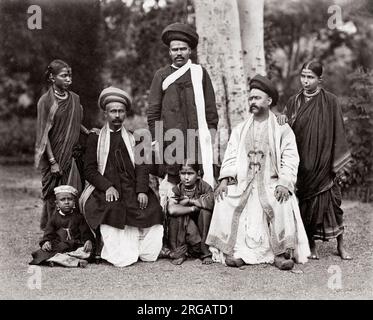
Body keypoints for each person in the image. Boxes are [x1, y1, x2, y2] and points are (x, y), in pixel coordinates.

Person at [206, 74, 310, 270]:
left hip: (271, 184)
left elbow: (290, 157)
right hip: (245, 184)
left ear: (269, 101)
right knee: (224, 198)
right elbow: (230, 155)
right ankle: (238, 253)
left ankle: (279, 255)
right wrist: (225, 180)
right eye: (251, 98)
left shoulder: (282, 128)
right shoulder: (240, 129)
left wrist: (284, 183)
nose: (252, 102)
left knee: (282, 201)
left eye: (257, 98)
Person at [79, 87, 164, 267]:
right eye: (113, 111)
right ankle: (113, 248)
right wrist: (107, 186)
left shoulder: (135, 138)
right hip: (107, 189)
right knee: (113, 210)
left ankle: (143, 249)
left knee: (152, 208)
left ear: (126, 113)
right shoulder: (95, 138)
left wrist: (141, 190)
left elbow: (142, 167)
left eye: (121, 111)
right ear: (105, 113)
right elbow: (90, 170)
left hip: (132, 187)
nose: (117, 115)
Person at [280, 61, 353, 260]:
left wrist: (336, 161)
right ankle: (311, 245)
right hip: (303, 162)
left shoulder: (331, 101)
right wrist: (282, 120)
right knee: (307, 206)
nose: (305, 81)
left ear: (320, 79)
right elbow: (286, 127)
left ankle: (341, 245)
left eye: (310, 77)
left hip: (325, 162)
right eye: (303, 76)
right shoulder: (293, 102)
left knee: (334, 205)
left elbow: (338, 130)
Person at [147, 22, 219, 208]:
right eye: (175, 49)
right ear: (169, 52)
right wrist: (155, 141)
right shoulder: (161, 76)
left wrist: (210, 135)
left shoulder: (199, 73)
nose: (179, 53)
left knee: (198, 182)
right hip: (171, 140)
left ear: (190, 51)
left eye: (183, 49)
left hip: (197, 140)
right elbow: (153, 111)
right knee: (172, 185)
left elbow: (210, 107)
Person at [35, 59, 95, 230]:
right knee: (53, 193)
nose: (69, 79)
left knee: (71, 191)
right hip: (53, 155)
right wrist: (53, 162)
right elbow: (43, 134)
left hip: (70, 154)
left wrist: (88, 132)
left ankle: (70, 230)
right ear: (52, 78)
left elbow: (75, 123)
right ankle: (51, 231)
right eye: (64, 76)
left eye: (70, 75)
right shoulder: (45, 102)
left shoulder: (75, 99)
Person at [29, 185, 93, 268]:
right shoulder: (54, 218)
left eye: (70, 199)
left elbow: (86, 233)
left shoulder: (79, 217)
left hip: (75, 246)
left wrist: (88, 241)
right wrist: (46, 242)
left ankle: (58, 260)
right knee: (41, 253)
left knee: (87, 252)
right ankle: (75, 262)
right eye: (63, 199)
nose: (66, 202)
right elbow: (48, 234)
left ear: (74, 202)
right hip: (59, 246)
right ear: (57, 203)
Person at [165, 159, 214, 265]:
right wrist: (191, 208)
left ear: (198, 174)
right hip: (186, 231)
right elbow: (172, 209)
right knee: (177, 216)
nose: (186, 177)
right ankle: (179, 252)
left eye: (190, 173)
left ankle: (205, 252)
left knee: (205, 213)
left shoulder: (204, 187)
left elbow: (210, 202)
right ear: (179, 174)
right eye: (183, 173)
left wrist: (189, 201)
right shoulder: (177, 189)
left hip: (200, 232)